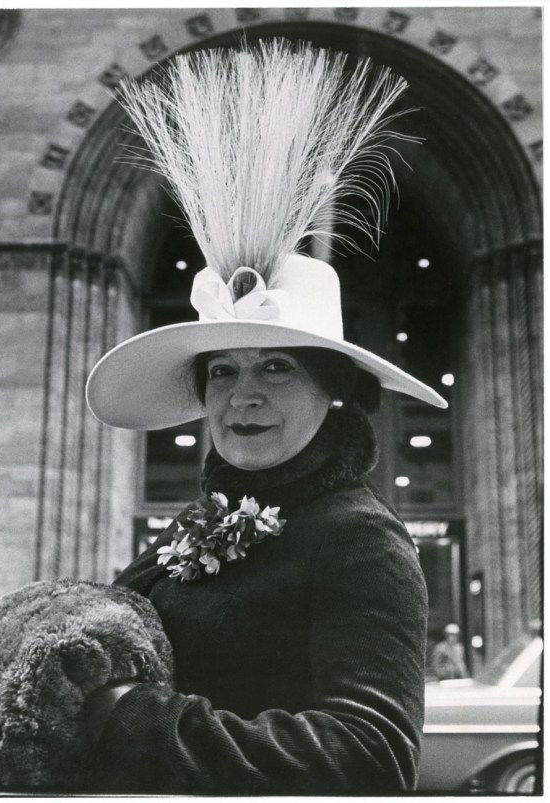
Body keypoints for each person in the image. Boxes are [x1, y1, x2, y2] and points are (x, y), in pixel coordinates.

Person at [81, 41, 448, 794]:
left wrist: (131, 720)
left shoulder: (359, 538)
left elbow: (372, 756)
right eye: (223, 370)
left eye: (276, 366)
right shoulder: (195, 525)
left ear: (332, 391)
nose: (241, 395)